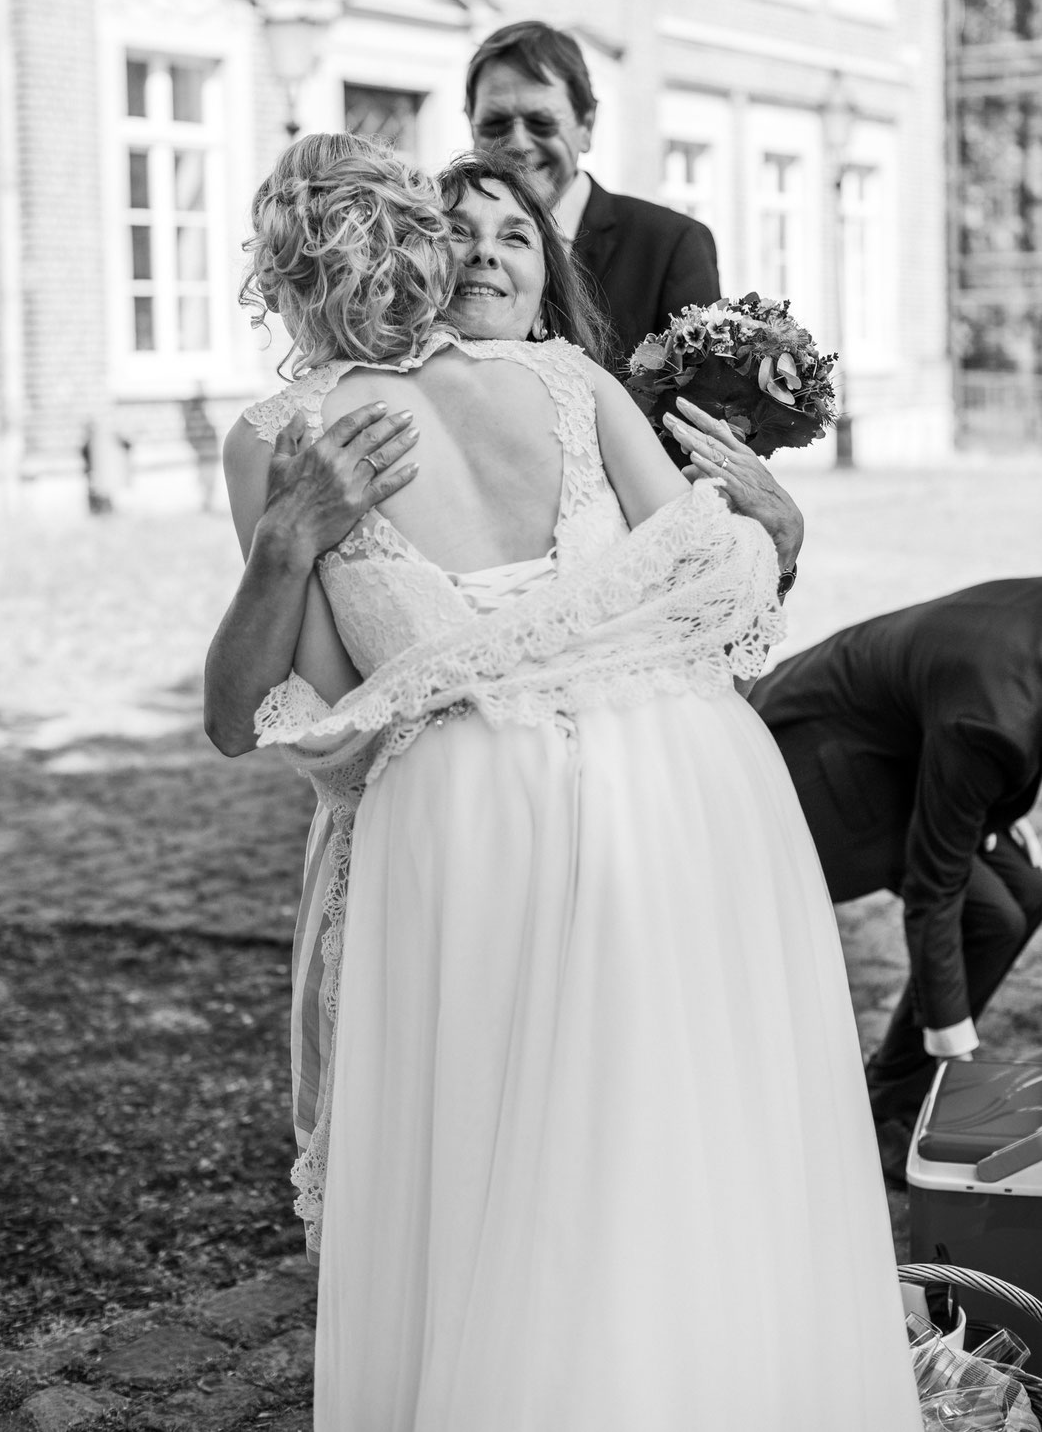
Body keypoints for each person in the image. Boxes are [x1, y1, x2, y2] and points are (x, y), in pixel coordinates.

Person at [205, 133, 921, 1430]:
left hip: (486, 817)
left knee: (519, 1175)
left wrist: (297, 550)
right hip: (688, 783)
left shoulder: (288, 436)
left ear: (279, 275)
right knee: (674, 1149)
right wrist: (759, 538)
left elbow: (321, 718)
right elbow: (716, 581)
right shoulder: (563, 382)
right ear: (419, 248)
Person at [750, 580, 1042, 1183]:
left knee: (1027, 894)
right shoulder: (991, 719)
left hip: (915, 744)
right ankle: (890, 1108)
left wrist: (998, 815)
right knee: (990, 915)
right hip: (827, 758)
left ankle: (892, 1093)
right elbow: (937, 889)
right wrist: (959, 1052)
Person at [465, 19, 720, 366]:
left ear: (586, 125)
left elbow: (700, 409)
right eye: (496, 124)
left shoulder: (671, 246)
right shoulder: (434, 243)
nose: (518, 144)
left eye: (542, 123)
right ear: (471, 124)